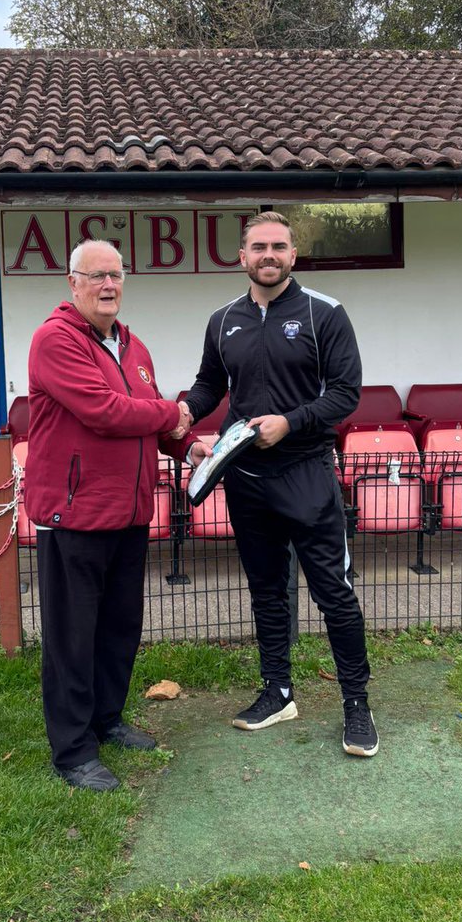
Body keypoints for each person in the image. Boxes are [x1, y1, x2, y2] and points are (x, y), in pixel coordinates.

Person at [182, 211, 378, 757]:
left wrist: (290, 422)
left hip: (307, 475)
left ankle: (356, 704)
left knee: (333, 594)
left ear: (294, 255)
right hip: (245, 479)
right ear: (241, 256)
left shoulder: (325, 314)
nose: (268, 255)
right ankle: (278, 691)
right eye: (258, 247)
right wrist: (183, 412)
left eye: (279, 246)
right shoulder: (223, 320)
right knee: (266, 591)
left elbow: (345, 394)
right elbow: (208, 385)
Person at [24, 239, 192, 791]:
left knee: (119, 628)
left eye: (116, 275)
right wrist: (174, 412)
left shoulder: (133, 346)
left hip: (129, 512)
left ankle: (107, 720)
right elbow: (104, 412)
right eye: (95, 276)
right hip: (73, 515)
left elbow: (148, 419)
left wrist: (185, 446)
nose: (108, 286)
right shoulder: (55, 339)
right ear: (72, 283)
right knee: (73, 637)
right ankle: (73, 751)